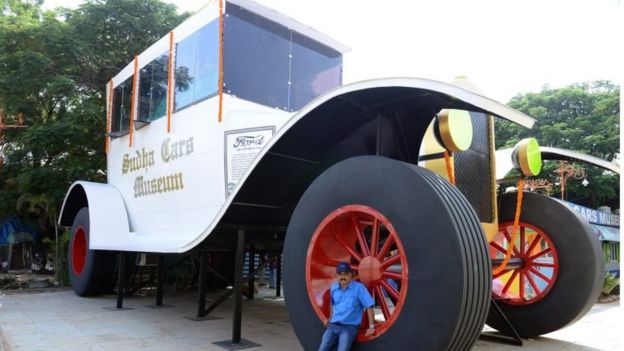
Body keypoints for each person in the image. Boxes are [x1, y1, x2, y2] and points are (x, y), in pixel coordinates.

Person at [318, 262, 375, 351]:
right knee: (322, 349)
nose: (342, 277)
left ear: (350, 274)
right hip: (333, 325)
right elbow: (333, 304)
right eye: (340, 274)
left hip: (349, 328)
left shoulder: (359, 288)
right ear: (337, 275)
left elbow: (369, 306)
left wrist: (372, 327)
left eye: (345, 274)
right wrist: (329, 319)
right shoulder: (333, 287)